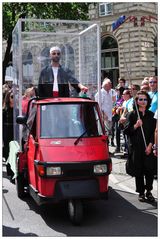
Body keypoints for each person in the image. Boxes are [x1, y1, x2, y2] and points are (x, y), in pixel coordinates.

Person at [124, 90, 157, 202]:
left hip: (148, 147)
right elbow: (126, 131)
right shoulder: (132, 114)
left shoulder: (152, 115)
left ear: (148, 101)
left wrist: (150, 145)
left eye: (145, 99)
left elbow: (154, 132)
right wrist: (136, 125)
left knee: (149, 170)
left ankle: (149, 191)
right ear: (136, 101)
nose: (143, 101)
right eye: (140, 99)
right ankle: (141, 192)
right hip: (136, 147)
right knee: (138, 170)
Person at [3, 90, 14, 181]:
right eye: (12, 97)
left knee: (14, 153)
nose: (13, 99)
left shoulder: (17, 110)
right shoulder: (4, 110)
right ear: (8, 98)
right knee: (7, 152)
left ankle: (14, 172)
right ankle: (9, 172)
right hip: (7, 132)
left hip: (15, 133)